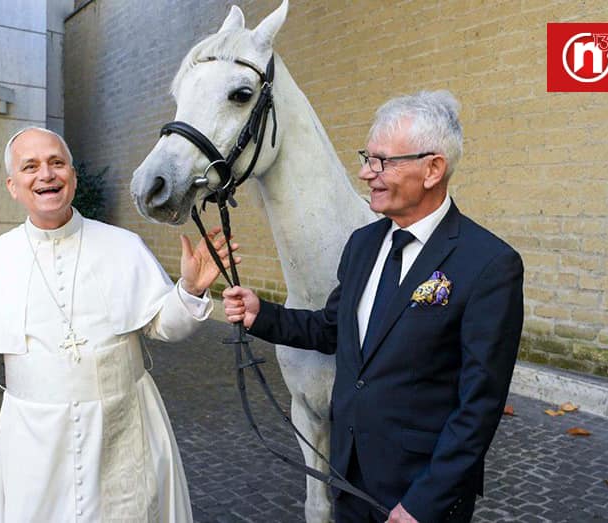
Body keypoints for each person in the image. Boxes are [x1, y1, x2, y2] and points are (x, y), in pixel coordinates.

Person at [223, 91, 524, 523]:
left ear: (432, 169)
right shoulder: (363, 245)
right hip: (348, 477)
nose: (366, 173)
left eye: (383, 162)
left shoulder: (490, 265)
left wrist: (425, 503)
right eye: (368, 157)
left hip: (419, 497)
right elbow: (332, 328)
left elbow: (478, 406)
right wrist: (261, 314)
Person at [0, 127, 237, 522]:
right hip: (34, 440)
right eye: (30, 167)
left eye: (56, 163)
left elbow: (164, 327)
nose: (46, 174)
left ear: (73, 176)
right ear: (13, 186)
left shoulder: (123, 245)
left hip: (125, 427)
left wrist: (187, 290)